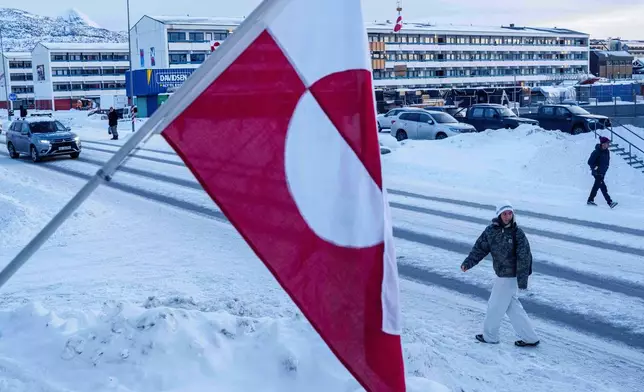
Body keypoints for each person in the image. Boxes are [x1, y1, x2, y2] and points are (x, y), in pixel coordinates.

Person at [461, 202, 540, 347]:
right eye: (504, 213)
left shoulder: (517, 233)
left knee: (495, 306)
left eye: (510, 213)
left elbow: (525, 257)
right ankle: (530, 337)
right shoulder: (491, 231)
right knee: (512, 308)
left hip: (509, 277)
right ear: (498, 214)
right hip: (501, 274)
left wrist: (523, 280)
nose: (508, 216)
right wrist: (468, 263)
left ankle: (490, 336)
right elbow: (479, 249)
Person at [587, 136, 617, 208]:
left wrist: (605, 168)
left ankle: (590, 200)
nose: (608, 144)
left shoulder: (607, 152)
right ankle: (610, 202)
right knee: (603, 187)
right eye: (607, 143)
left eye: (608, 143)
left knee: (596, 186)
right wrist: (596, 168)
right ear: (603, 144)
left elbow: (606, 162)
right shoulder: (596, 152)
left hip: (602, 172)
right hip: (597, 173)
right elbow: (590, 162)